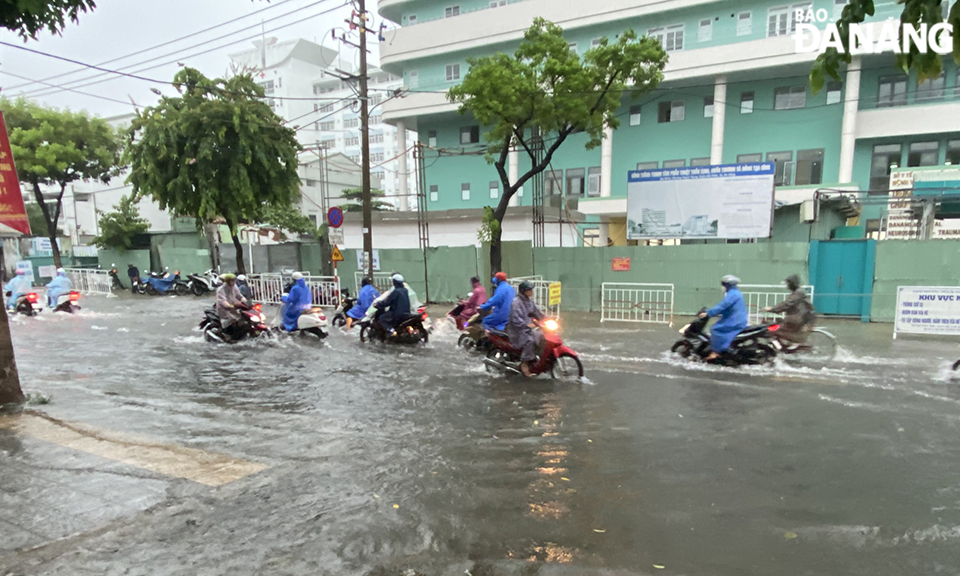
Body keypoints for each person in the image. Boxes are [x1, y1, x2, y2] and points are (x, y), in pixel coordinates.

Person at [700, 275, 748, 362]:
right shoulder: (735, 293)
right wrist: (710, 311)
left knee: (715, 329)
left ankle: (716, 352)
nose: (722, 286)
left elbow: (722, 306)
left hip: (734, 320)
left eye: (723, 284)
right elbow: (726, 308)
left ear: (727, 285)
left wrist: (709, 313)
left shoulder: (732, 294)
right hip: (735, 319)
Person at [764, 274, 816, 346]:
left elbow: (787, 304)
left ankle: (782, 347)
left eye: (788, 283)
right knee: (775, 325)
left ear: (792, 283)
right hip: (799, 317)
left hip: (797, 319)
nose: (787, 286)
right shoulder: (799, 292)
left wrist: (772, 309)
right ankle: (784, 345)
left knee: (772, 330)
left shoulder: (798, 293)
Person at [508, 280, 545, 377]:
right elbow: (516, 320)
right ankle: (524, 364)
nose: (531, 292)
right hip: (518, 331)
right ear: (523, 291)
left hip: (528, 329)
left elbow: (537, 313)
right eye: (529, 290)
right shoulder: (516, 303)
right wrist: (526, 325)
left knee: (543, 336)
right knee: (530, 341)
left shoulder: (529, 302)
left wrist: (548, 319)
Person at [216, 273, 247, 340]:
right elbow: (222, 300)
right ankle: (227, 335)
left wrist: (245, 302)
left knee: (242, 319)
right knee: (231, 321)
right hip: (225, 310)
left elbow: (239, 296)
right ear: (227, 281)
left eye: (234, 280)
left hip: (234, 308)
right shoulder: (221, 289)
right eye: (232, 280)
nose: (233, 282)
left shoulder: (234, 288)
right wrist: (229, 306)